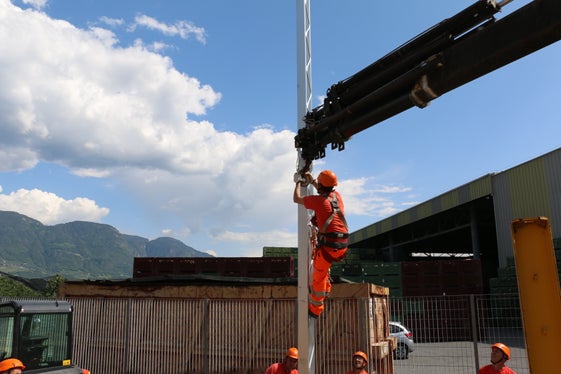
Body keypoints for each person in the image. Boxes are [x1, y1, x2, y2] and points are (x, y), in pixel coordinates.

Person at [294, 170, 349, 318]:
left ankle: (315, 309)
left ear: (321, 186)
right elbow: (323, 189)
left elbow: (296, 198)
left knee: (317, 276)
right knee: (324, 268)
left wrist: (298, 182)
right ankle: (327, 290)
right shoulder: (337, 197)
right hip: (341, 245)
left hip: (329, 248)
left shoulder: (318, 201)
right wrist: (312, 181)